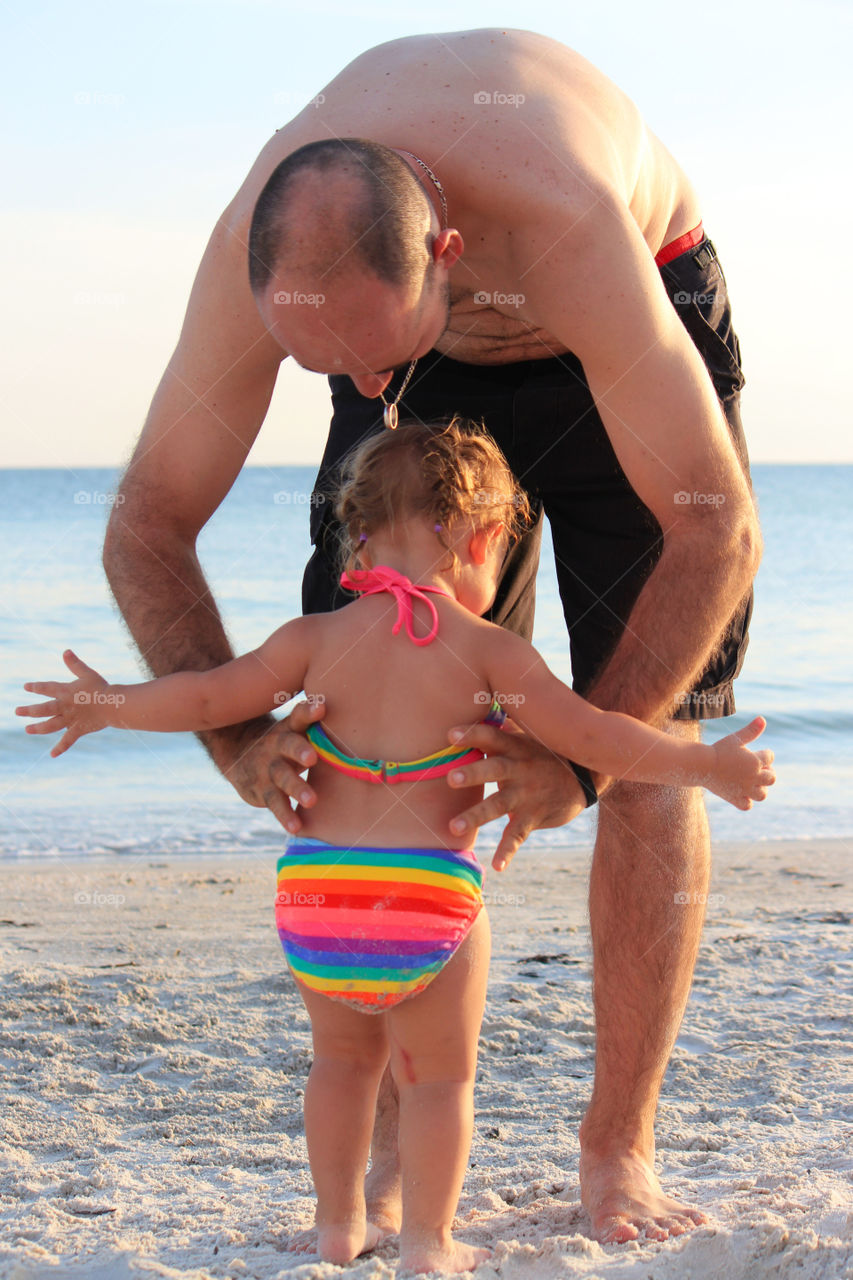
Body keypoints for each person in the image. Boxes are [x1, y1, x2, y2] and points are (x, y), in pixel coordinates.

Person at [102, 30, 762, 1241]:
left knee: (645, 738)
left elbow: (713, 531)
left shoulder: (562, 216)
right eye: (326, 367)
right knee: (384, 714)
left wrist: (578, 759)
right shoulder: (278, 245)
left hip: (622, 320)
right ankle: (400, 1164)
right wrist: (243, 738)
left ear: (445, 253)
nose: (365, 387)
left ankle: (617, 1145)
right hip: (431, 321)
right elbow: (146, 523)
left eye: (373, 353)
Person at [22, 423, 773, 1270]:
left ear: (360, 533)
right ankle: (428, 1241)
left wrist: (109, 703)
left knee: (339, 1067)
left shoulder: (314, 640)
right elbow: (597, 738)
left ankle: (339, 1224)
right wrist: (700, 762)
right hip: (426, 906)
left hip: (318, 901)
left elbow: (205, 699)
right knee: (437, 1080)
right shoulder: (492, 652)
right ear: (478, 537)